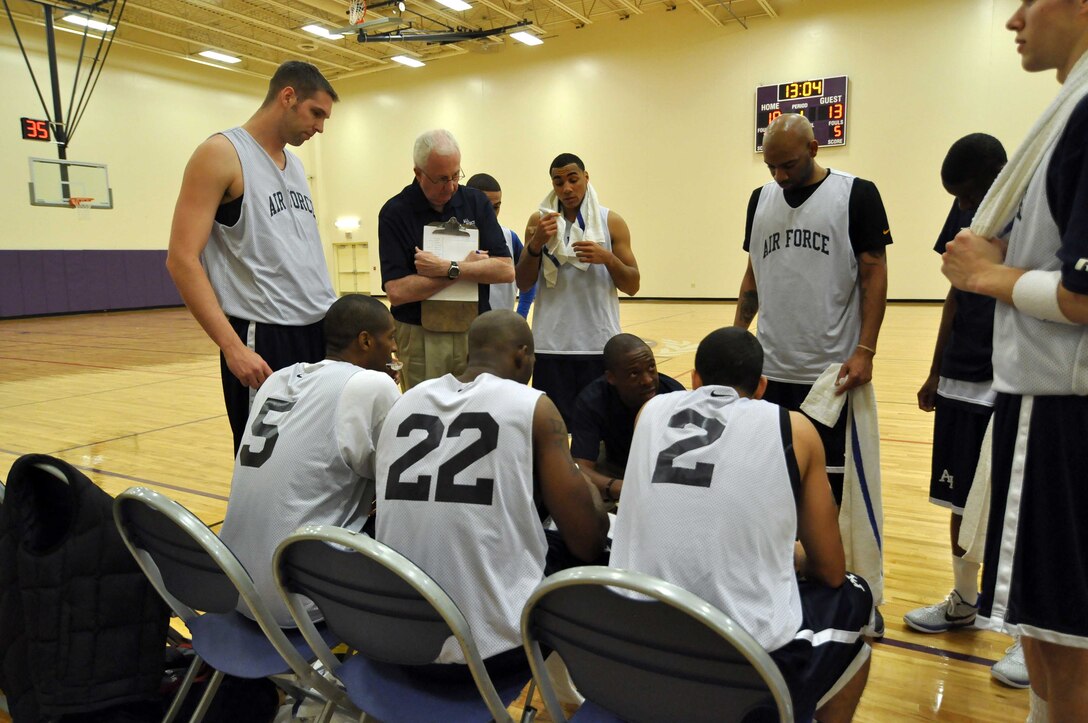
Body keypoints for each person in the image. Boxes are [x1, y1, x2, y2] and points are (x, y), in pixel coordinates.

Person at [941, 2, 1088, 719]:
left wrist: (986, 276)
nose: (1013, 19)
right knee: (1045, 643)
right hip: (1043, 402)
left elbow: (1085, 293)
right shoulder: (1067, 113)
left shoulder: (1086, 114)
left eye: (1028, 1)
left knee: (1069, 653)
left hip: (1065, 412)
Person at [610, 327, 873, 723]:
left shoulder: (649, 413)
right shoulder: (796, 428)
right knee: (857, 598)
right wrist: (792, 555)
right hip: (736, 662)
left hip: (633, 641)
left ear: (695, 380)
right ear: (762, 386)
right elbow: (830, 571)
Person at [375, 310, 608, 678]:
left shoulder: (406, 400)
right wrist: (583, 480)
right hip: (487, 655)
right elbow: (587, 543)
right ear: (523, 355)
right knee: (597, 555)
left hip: (392, 642)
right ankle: (583, 688)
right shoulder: (531, 404)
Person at [903, 134, 1027, 687]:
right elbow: (954, 293)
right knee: (955, 497)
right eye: (956, 198)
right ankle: (965, 601)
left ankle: (1030, 632)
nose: (963, 207)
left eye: (970, 194)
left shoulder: (1029, 216)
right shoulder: (965, 211)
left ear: (998, 177)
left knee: (1010, 507)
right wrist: (935, 369)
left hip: (1007, 380)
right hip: (960, 374)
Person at [167, 61, 339, 454]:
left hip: (315, 331)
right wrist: (233, 347)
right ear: (287, 96)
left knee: (312, 458)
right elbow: (181, 259)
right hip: (265, 335)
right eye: (316, 113)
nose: (320, 128)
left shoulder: (295, 165)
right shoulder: (221, 154)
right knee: (265, 465)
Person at [733, 113, 891, 507]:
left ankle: (826, 566)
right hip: (770, 370)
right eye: (771, 167)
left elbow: (875, 274)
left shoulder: (857, 194)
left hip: (829, 374)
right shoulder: (759, 200)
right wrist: (738, 337)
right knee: (772, 478)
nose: (779, 176)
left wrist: (866, 350)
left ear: (813, 149)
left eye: (788, 165)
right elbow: (753, 274)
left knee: (827, 488)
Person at [219, 294, 401, 627]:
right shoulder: (373, 384)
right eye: (390, 337)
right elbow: (396, 482)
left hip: (232, 584)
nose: (393, 349)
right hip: (296, 599)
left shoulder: (278, 378)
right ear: (365, 340)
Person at [378, 130, 515, 390]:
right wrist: (467, 269)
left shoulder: (475, 202)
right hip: (420, 335)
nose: (450, 187)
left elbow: (505, 270)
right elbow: (397, 291)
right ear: (418, 173)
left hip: (473, 329)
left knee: (475, 408)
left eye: (455, 176)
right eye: (441, 179)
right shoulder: (395, 212)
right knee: (425, 415)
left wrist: (447, 268)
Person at [517, 153, 640, 425]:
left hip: (598, 345)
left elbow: (632, 284)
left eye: (573, 179)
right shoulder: (539, 222)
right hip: (551, 346)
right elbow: (523, 283)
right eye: (558, 182)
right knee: (551, 431)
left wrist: (607, 258)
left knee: (599, 430)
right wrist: (535, 244)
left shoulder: (611, 222)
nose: (567, 188)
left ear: (586, 178)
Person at [569, 333, 684, 505]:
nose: (647, 380)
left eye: (651, 368)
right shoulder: (591, 401)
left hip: (664, 469)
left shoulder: (675, 394)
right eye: (634, 374)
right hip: (615, 468)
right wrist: (622, 489)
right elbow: (581, 469)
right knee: (580, 496)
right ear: (611, 378)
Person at [465, 172, 536, 318]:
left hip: (501, 332)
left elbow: (529, 282)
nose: (492, 214)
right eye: (485, 207)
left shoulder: (510, 238)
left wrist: (520, 316)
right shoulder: (453, 237)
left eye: (496, 207)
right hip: (461, 329)